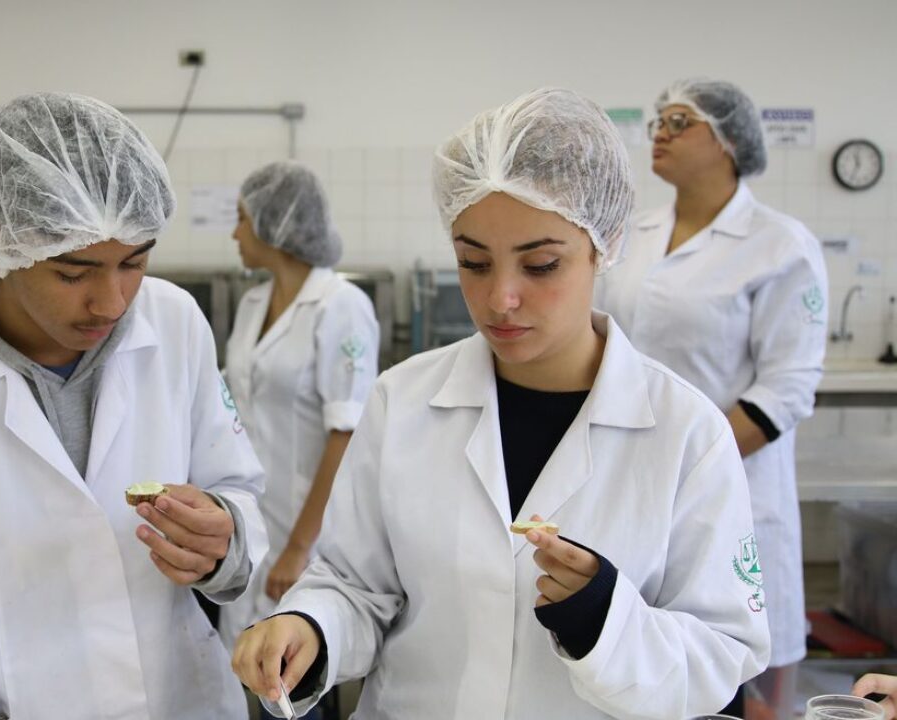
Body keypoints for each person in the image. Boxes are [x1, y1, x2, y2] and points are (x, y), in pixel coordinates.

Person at [231, 88, 771, 719]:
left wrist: (606, 619)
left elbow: (722, 654)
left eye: (540, 265)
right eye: (473, 263)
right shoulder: (402, 401)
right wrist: (311, 627)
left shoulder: (686, 432)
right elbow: (356, 585)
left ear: (604, 244)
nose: (500, 299)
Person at [0, 92, 269, 720]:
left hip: (183, 702)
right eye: (72, 272)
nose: (112, 302)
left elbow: (238, 488)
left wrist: (224, 538)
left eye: (134, 262)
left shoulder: (174, 322)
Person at [596, 78, 828, 717]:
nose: (659, 133)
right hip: (623, 479)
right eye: (658, 122)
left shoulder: (781, 246)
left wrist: (689, 461)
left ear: (728, 142)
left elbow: (785, 388)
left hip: (733, 486)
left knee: (736, 679)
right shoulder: (632, 236)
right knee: (634, 666)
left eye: (679, 121)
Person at [217, 161, 379, 649]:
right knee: (240, 660)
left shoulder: (341, 306)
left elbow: (345, 435)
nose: (234, 233)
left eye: (242, 218)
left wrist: (297, 548)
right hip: (249, 524)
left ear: (275, 224)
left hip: (307, 535)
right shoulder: (251, 304)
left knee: (291, 672)